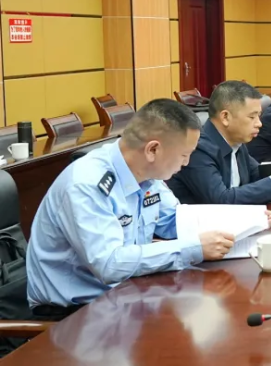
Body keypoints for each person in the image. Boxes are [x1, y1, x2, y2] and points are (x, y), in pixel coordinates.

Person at [26, 99, 251, 315]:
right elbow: (109, 264)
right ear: (152, 150)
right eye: (184, 155)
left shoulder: (147, 174)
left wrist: (248, 222)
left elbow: (175, 221)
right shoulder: (86, 185)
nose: (187, 163)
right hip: (75, 312)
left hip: (125, 295)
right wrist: (193, 247)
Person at [167, 81, 271, 205]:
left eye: (259, 116)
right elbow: (221, 200)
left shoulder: (236, 142)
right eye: (252, 117)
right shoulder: (198, 149)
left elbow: (257, 174)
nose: (259, 124)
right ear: (225, 117)